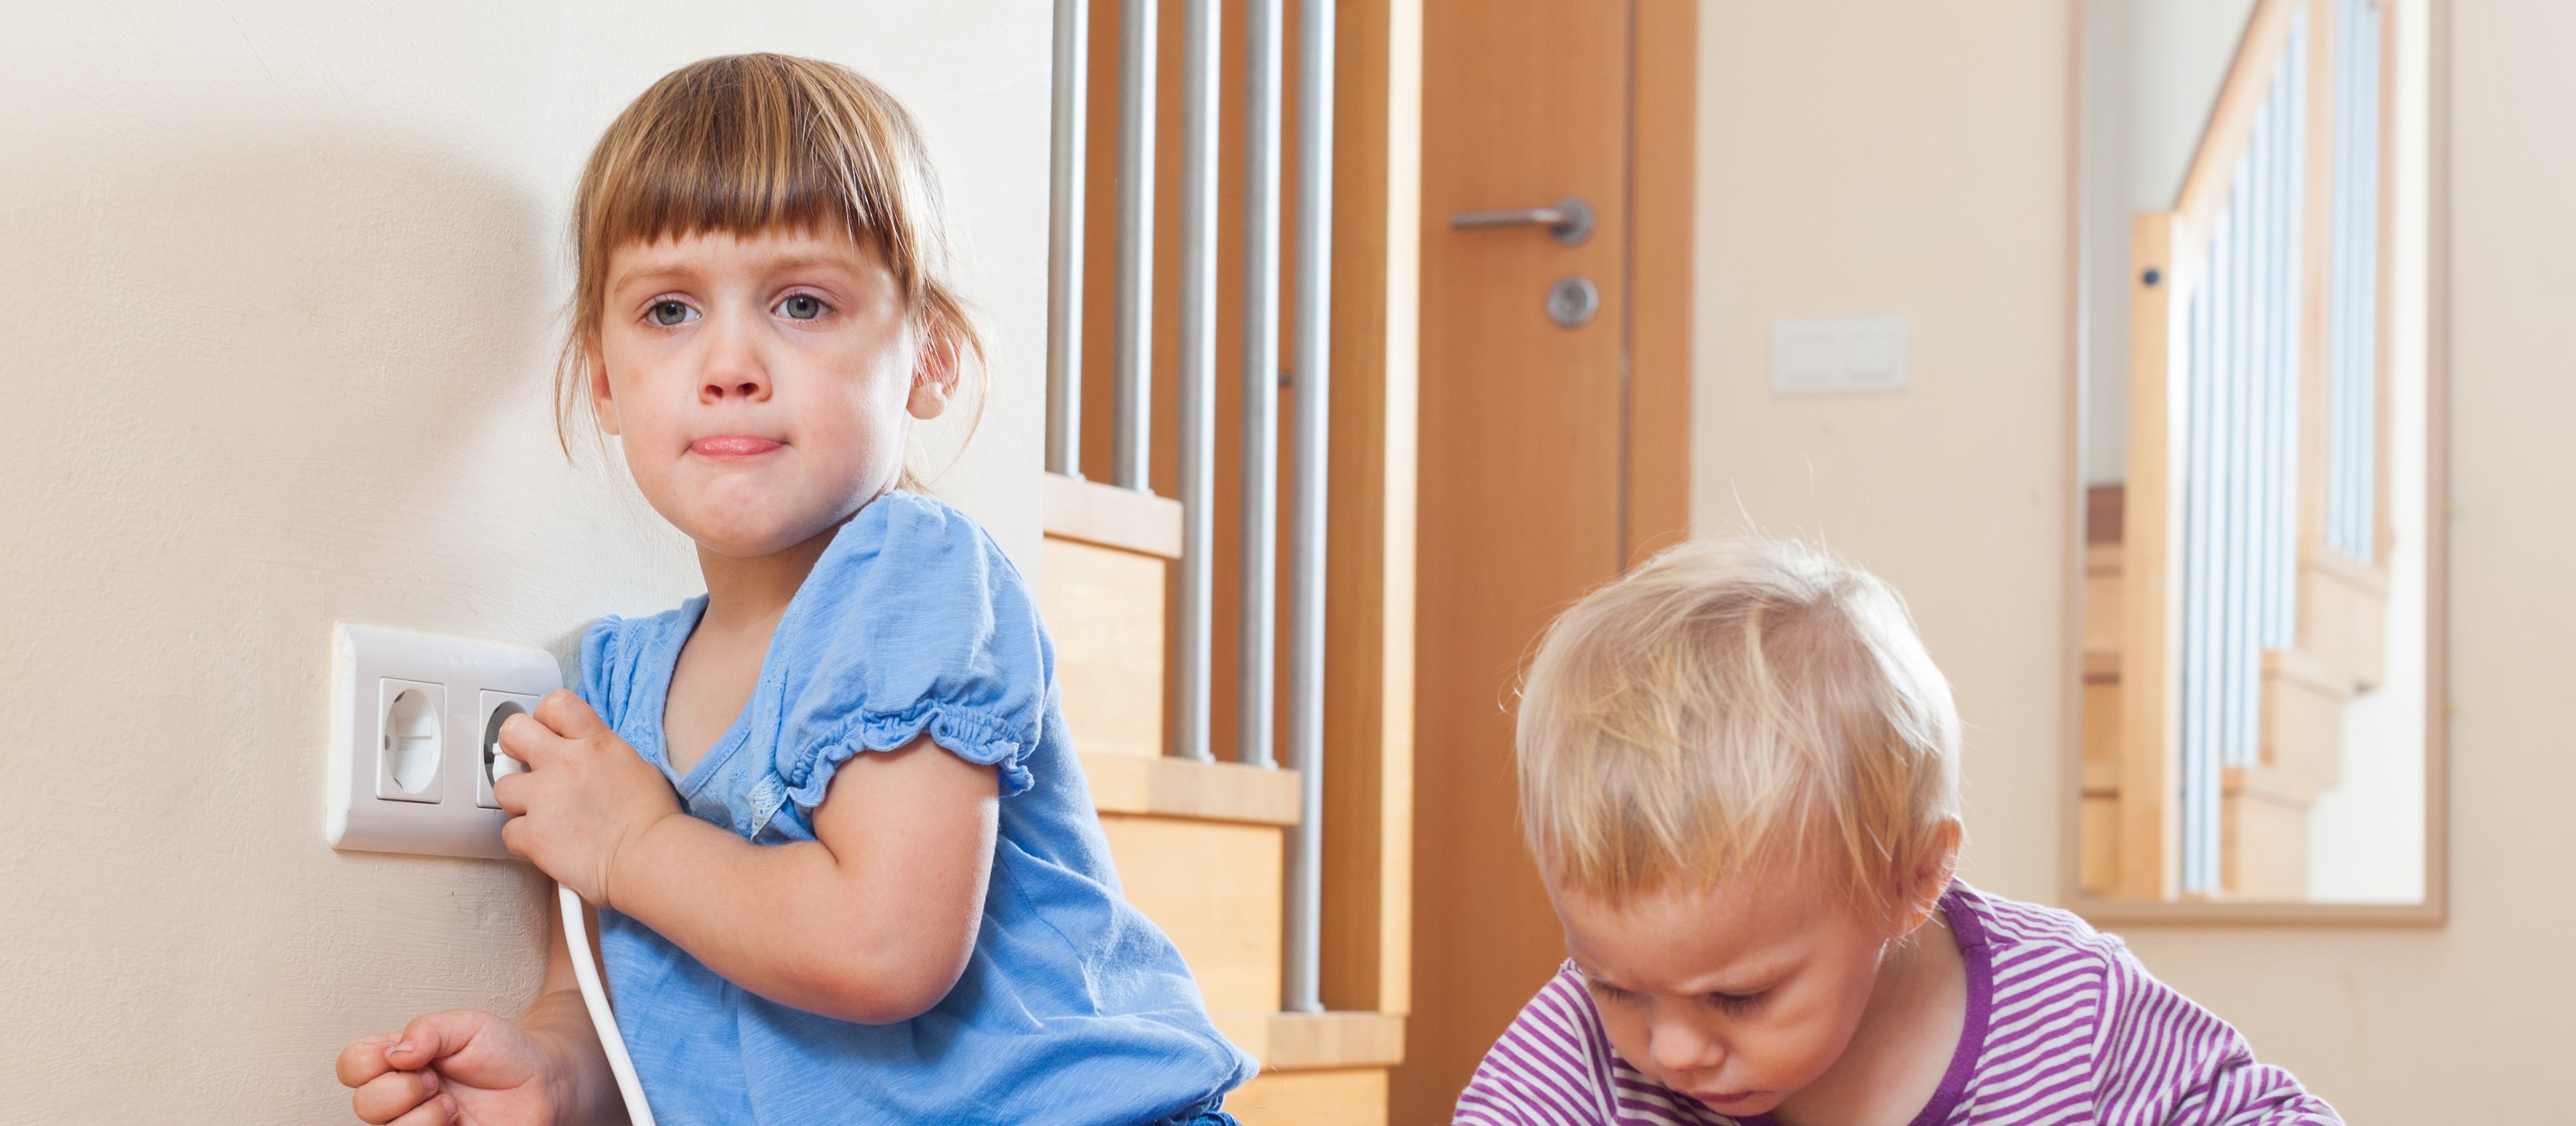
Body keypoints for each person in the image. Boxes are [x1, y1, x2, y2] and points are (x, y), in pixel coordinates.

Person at [332, 54, 1255, 1126]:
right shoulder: (611, 686)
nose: (730, 363)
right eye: (670, 311)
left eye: (803, 303)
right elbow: (613, 1008)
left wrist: (637, 845)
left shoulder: (913, 578)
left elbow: (886, 945)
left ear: (929, 358)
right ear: (603, 373)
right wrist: (553, 1075)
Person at [1455, 537, 2339, 1125]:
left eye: (1739, 996)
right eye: (1618, 985)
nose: (1672, 1047)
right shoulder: (1575, 1059)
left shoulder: (2071, 1009)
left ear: (1912, 878)